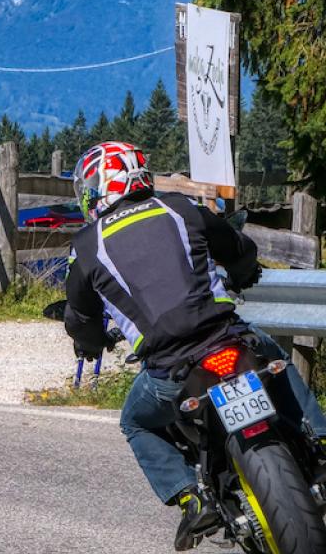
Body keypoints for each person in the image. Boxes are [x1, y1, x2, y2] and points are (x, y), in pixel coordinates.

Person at [61, 141, 326, 550]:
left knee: (135, 422)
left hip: (171, 371)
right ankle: (321, 440)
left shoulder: (86, 246)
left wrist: (91, 344)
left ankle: (190, 497)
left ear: (101, 187)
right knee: (275, 359)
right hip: (229, 340)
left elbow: (80, 320)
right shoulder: (180, 208)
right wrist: (244, 272)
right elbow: (238, 248)